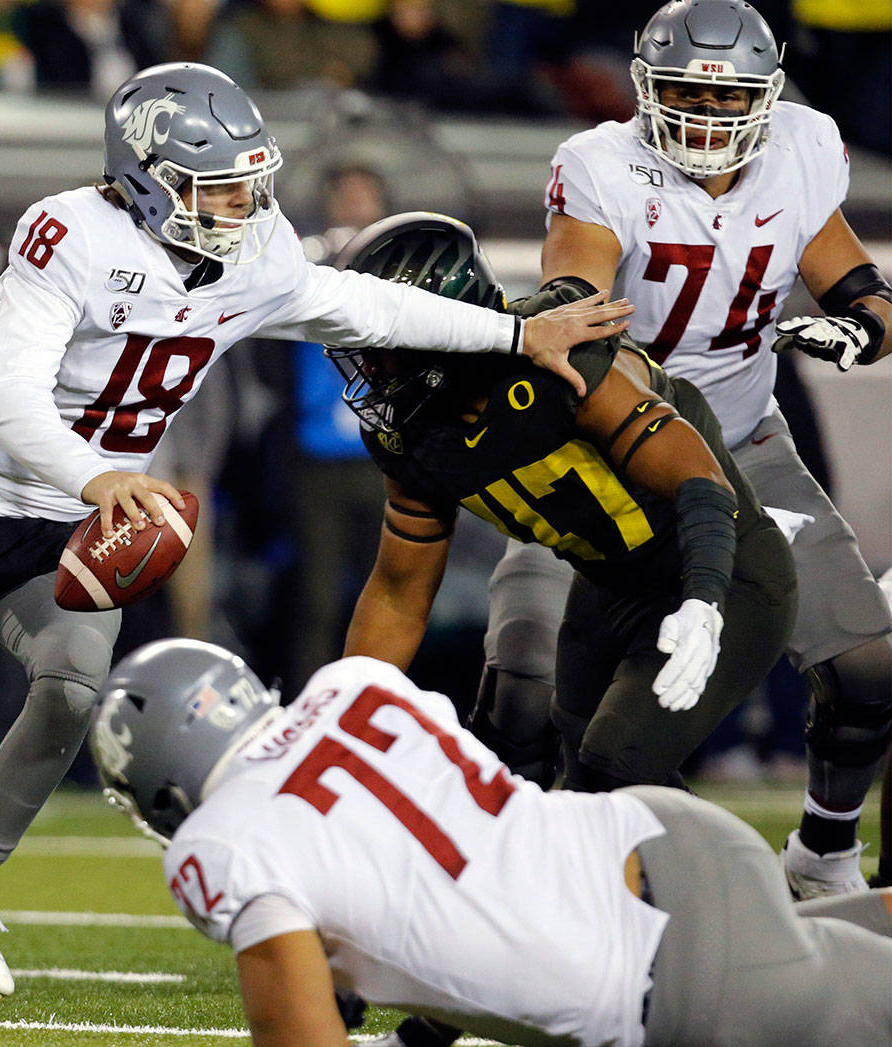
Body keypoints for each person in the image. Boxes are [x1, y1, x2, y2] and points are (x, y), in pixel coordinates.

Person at [0, 61, 632, 1005]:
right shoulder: (71, 234)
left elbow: (361, 302)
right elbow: (9, 392)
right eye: (216, 183)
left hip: (74, 524)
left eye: (247, 179)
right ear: (143, 175)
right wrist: (99, 473)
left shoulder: (254, 250)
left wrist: (512, 335)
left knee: (71, 689)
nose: (241, 202)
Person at [481, 0, 892, 897]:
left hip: (746, 443)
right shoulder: (602, 165)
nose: (707, 121)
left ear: (768, 96)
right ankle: (496, 881)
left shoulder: (801, 150)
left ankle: (822, 853)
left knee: (869, 670)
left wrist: (859, 333)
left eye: (728, 100)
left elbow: (867, 291)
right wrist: (593, 346)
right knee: (522, 669)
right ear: (645, 88)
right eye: (685, 97)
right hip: (604, 447)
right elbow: (573, 308)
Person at [88, 638, 892, 1047]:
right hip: (656, 835)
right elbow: (456, 864)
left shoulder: (220, 844)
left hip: (662, 964)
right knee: (837, 959)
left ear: (162, 786)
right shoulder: (352, 684)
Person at [329, 211, 796, 802]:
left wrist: (703, 595)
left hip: (725, 572)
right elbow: (398, 593)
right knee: (548, 781)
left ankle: (733, 891)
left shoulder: (559, 356)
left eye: (383, 344)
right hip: (606, 587)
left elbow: (698, 479)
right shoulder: (409, 433)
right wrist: (341, 710)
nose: (370, 367)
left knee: (617, 765)